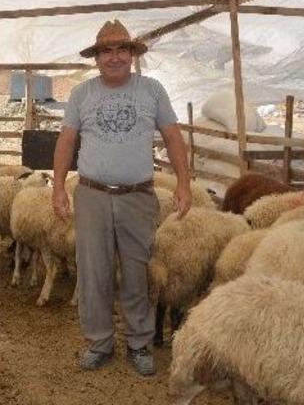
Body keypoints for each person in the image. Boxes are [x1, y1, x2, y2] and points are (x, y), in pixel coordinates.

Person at [52, 19, 191, 376]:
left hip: (137, 196)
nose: (114, 57)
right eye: (106, 51)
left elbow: (174, 137)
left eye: (121, 49)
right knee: (93, 272)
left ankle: (138, 342)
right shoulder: (82, 94)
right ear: (96, 58)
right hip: (92, 195)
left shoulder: (152, 90)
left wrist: (184, 184)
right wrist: (57, 187)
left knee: (136, 271)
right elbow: (66, 141)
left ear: (131, 55)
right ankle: (99, 343)